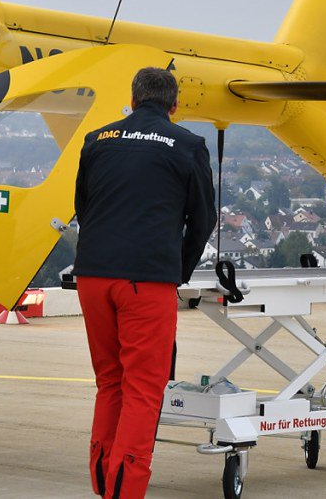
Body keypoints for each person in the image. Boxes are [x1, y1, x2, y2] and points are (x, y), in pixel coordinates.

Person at [72, 67, 216, 498]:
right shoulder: (188, 146)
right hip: (147, 280)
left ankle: (105, 483)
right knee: (143, 389)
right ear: (174, 107)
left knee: (110, 382)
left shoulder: (97, 140)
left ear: (132, 100)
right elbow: (203, 220)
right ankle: (126, 490)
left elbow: (82, 204)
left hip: (93, 275)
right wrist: (178, 271)